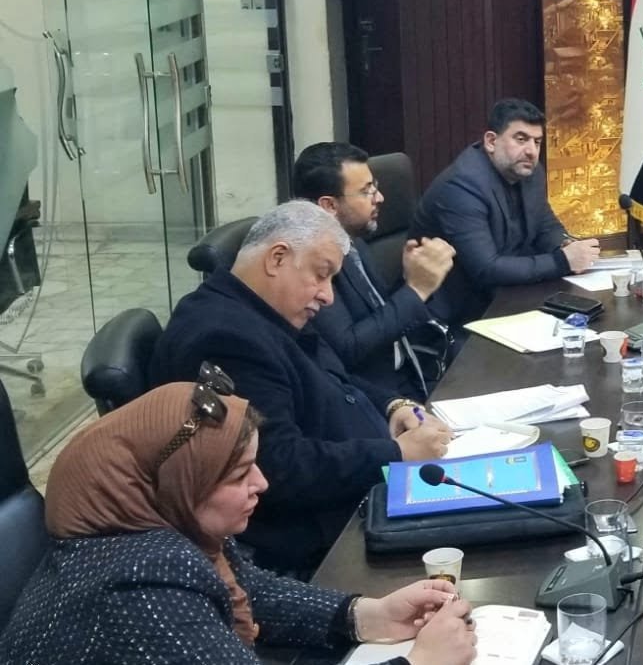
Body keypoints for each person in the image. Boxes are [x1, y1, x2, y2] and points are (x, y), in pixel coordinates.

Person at [0, 382, 475, 665]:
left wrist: (366, 615)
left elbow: (247, 588)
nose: (262, 483)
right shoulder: (137, 592)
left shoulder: (164, 520)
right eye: (238, 474)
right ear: (181, 481)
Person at [151, 200, 450, 573]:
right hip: (323, 540)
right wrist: (395, 453)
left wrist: (392, 405)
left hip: (356, 495)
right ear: (277, 258)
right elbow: (280, 468)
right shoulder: (226, 339)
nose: (328, 296)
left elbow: (335, 376)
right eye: (321, 275)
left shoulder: (263, 309)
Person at [411, 99, 599, 323]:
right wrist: (562, 261)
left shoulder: (531, 173)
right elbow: (485, 269)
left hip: (511, 294)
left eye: (537, 142)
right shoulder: (462, 186)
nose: (531, 151)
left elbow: (546, 226)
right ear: (491, 141)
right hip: (464, 311)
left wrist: (564, 245)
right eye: (521, 139)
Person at [294, 142, 457, 399]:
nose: (379, 198)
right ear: (329, 206)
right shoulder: (309, 260)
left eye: (375, 187)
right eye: (366, 191)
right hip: (375, 398)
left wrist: (409, 278)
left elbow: (379, 313)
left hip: (412, 372)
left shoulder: (353, 238)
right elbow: (350, 348)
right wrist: (417, 289)